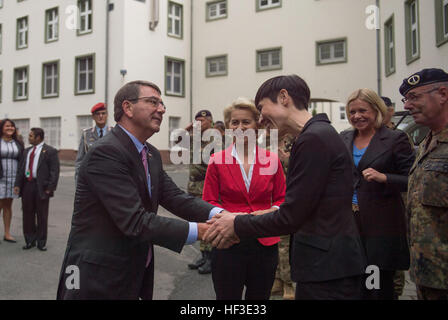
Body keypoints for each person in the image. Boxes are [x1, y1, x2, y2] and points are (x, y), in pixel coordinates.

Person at [56, 80, 226, 300]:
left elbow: (176, 198)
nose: (162, 109)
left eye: (162, 103)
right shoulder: (106, 152)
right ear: (127, 108)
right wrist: (205, 231)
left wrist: (220, 215)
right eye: (153, 102)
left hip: (133, 269)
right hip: (95, 275)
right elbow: (135, 221)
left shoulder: (150, 153)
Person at [205, 75, 367, 300]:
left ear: (283, 97)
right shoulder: (318, 134)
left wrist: (238, 221)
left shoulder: (313, 139)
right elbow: (300, 206)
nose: (261, 119)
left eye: (261, 109)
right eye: (236, 122)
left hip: (326, 264)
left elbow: (290, 212)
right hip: (327, 261)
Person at [202, 98, 285, 300]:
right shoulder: (216, 161)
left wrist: (268, 213)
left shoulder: (272, 160)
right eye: (234, 122)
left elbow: (283, 199)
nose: (240, 127)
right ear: (228, 127)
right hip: (228, 242)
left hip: (264, 242)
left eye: (246, 122)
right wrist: (230, 219)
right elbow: (208, 202)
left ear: (257, 125)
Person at [340, 88, 415, 300]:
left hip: (381, 225)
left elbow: (413, 180)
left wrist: (385, 178)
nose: (357, 116)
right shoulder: (344, 137)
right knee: (354, 281)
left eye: (362, 110)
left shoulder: (395, 139)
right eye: (352, 112)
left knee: (377, 284)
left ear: (376, 110)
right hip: (349, 223)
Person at [401, 68, 448, 300]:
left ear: (442, 94)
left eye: (414, 97)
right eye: (406, 99)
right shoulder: (428, 142)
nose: (408, 105)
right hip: (427, 274)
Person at [14, 128, 60, 251]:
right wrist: (17, 185)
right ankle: (29, 240)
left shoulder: (50, 151)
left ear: (38, 137)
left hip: (42, 187)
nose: (28, 138)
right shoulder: (26, 151)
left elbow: (54, 172)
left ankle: (41, 242)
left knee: (42, 215)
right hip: (27, 186)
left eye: (31, 136)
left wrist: (50, 188)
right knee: (27, 214)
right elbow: (21, 169)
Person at [186, 110, 217, 275]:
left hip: (207, 188)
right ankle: (204, 256)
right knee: (198, 221)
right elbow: (175, 141)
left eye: (202, 121)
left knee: (209, 222)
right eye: (196, 121)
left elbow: (217, 166)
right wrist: (189, 127)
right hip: (193, 188)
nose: (198, 124)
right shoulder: (194, 139)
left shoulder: (215, 140)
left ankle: (211, 258)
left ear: (210, 122)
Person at [0, 119, 24, 243]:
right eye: (7, 126)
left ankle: (7, 233)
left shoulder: (18, 143)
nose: (10, 128)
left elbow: (22, 162)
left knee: (8, 205)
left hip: (13, 178)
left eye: (12, 126)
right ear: (2, 128)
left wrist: (19, 181)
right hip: (0, 178)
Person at [75, 102, 111, 181]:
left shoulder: (114, 132)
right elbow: (79, 162)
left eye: (103, 113)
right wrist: (79, 185)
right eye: (97, 114)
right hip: (91, 179)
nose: (101, 116)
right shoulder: (86, 134)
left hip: (110, 179)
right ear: (93, 117)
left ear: (107, 115)